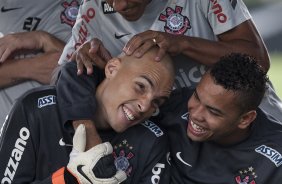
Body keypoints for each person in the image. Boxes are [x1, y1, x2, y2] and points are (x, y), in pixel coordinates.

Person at [56, 0, 282, 132]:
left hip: (252, 128)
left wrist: (183, 43)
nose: (119, 5)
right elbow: (61, 81)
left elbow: (258, 60)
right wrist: (83, 59)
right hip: (183, 142)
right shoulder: (93, 10)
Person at [0, 47, 175, 183]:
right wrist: (69, 179)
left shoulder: (152, 142)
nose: (145, 106)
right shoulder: (36, 109)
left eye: (156, 102)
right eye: (141, 86)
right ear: (112, 68)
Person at [156, 53, 282, 183]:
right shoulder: (172, 106)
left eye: (213, 112)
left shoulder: (276, 157)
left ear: (245, 119)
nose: (195, 115)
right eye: (196, 97)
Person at [0, 0, 81, 126]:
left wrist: (42, 38)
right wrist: (31, 67)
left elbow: (86, 77)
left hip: (57, 133)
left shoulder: (93, 8)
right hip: (8, 133)